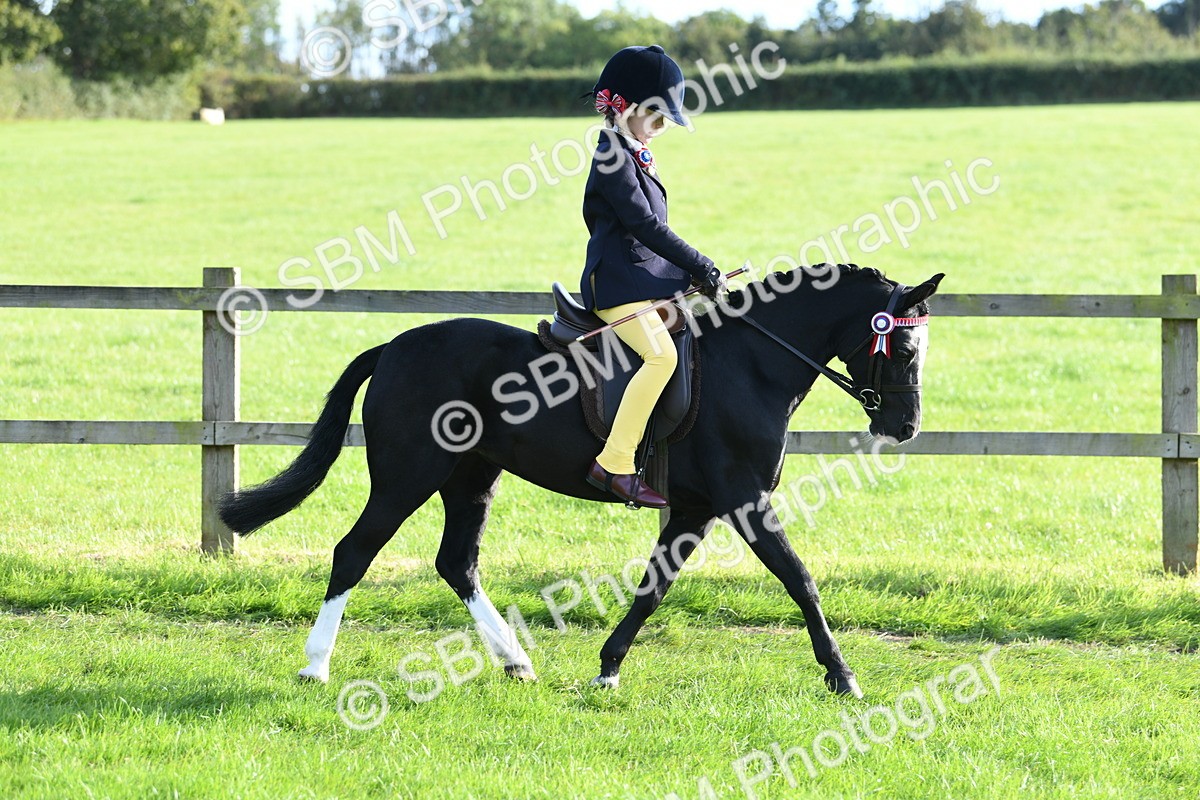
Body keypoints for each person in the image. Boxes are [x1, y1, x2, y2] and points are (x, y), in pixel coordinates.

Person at [580, 44, 725, 509]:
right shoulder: (612, 154)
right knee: (661, 358)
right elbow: (644, 226)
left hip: (644, 279)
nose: (662, 127)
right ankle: (614, 463)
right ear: (625, 109)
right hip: (617, 285)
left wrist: (687, 278)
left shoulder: (634, 150)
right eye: (657, 116)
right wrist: (699, 264)